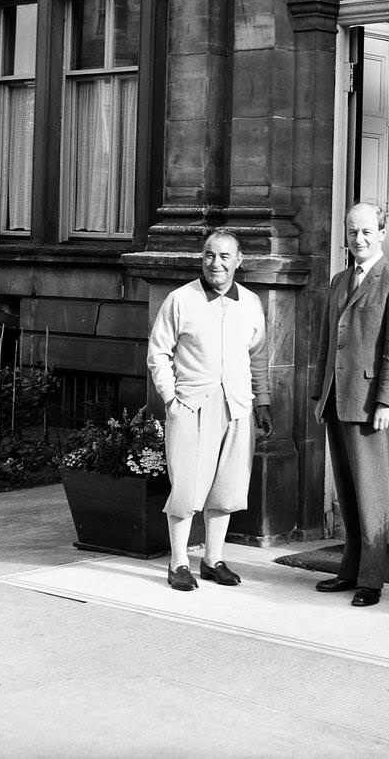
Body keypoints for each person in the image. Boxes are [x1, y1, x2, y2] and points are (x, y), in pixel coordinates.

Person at [147, 230, 273, 591]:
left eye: (223, 256)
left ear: (238, 260)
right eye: (208, 256)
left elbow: (259, 357)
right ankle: (178, 562)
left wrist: (261, 401)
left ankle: (213, 560)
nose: (215, 263)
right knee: (187, 487)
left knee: (228, 486)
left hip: (237, 406)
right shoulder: (180, 300)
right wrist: (172, 399)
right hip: (193, 406)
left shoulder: (249, 303)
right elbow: (158, 352)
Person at [312, 201, 389, 607]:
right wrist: (318, 395)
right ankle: (350, 569)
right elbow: (327, 342)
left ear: (382, 232)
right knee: (348, 492)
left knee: (372, 495)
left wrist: (387, 401)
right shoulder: (340, 280)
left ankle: (371, 580)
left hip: (373, 406)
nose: (358, 240)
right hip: (338, 401)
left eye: (367, 232)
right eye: (352, 232)